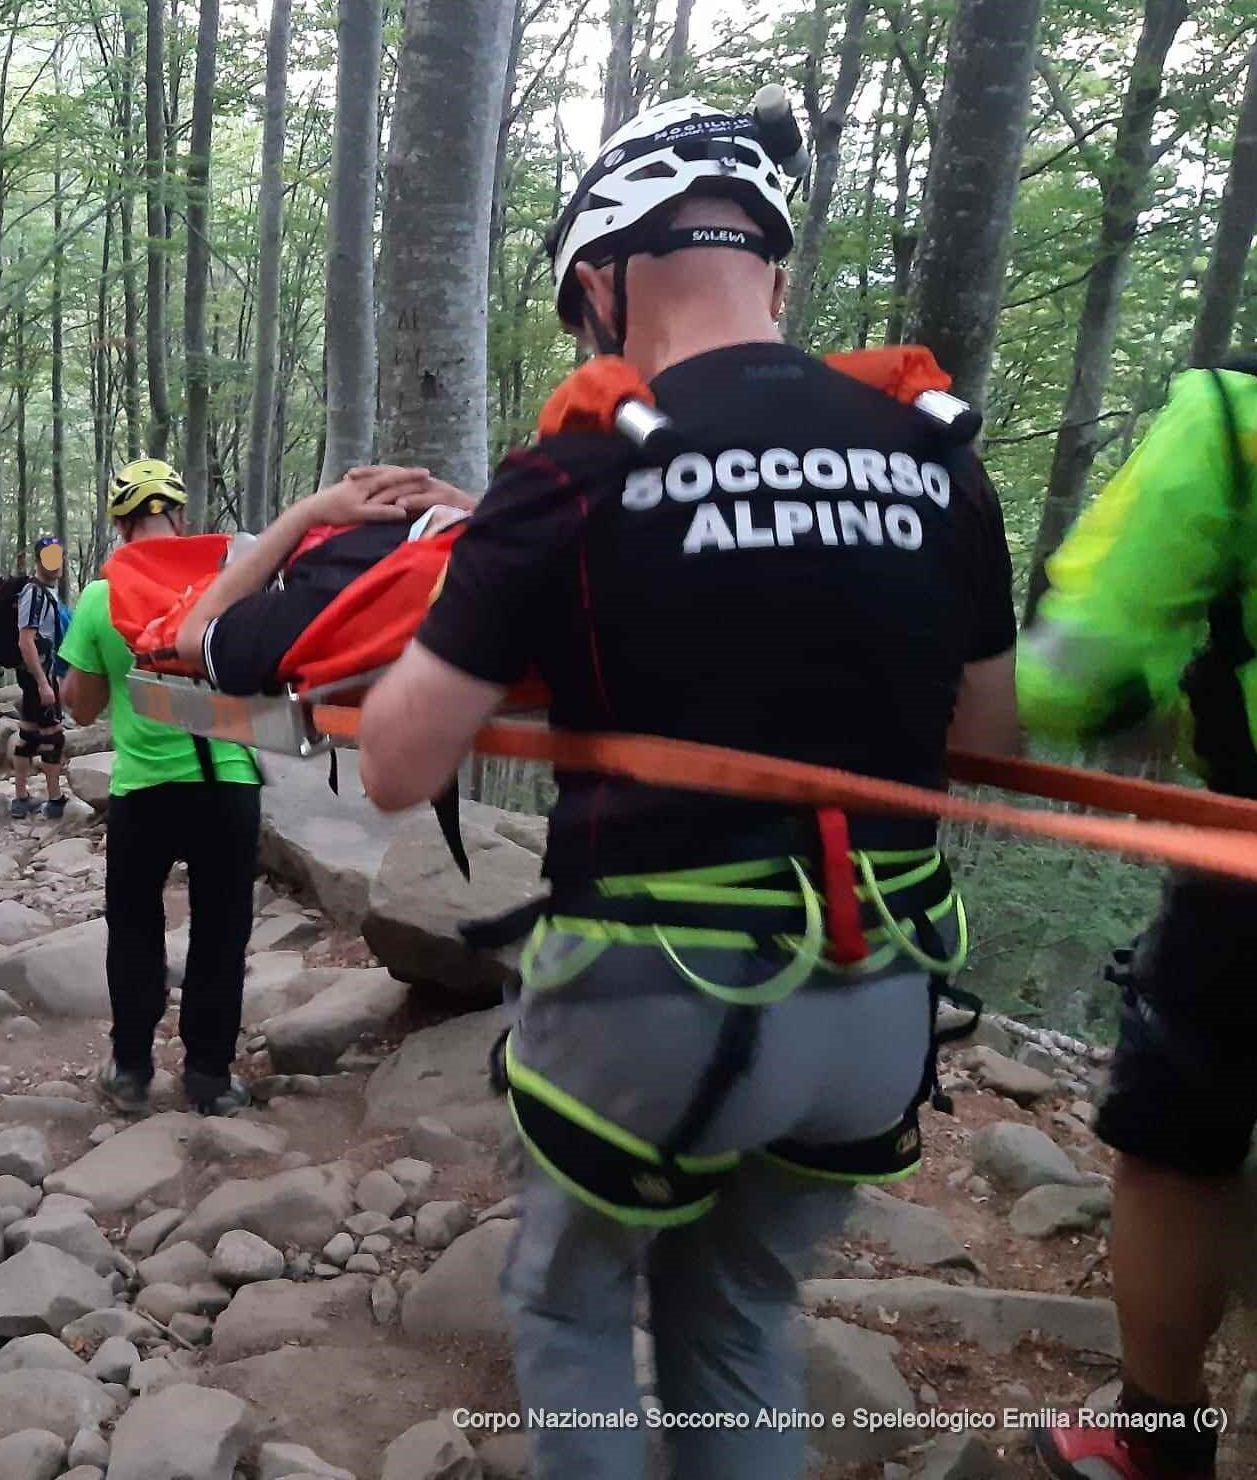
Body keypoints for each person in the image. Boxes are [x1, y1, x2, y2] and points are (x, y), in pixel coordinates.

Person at [353, 95, 1020, 1479]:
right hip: (880, 997)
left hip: (659, 996)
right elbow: (990, 741)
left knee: (572, 1306)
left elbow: (399, 767)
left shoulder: (579, 465)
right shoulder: (937, 454)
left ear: (603, 284)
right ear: (771, 269)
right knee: (738, 1322)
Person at [1019, 357, 1257, 1480]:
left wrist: (1140, 703)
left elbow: (1085, 668)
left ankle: (1153, 1439)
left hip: (1245, 868)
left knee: (1178, 1149)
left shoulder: (1236, 418)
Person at [58, 459, 264, 1116]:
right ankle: (208, 1076)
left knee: (135, 929)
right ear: (180, 518)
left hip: (144, 790)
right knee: (222, 932)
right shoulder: (230, 586)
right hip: (228, 781)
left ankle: (130, 1068)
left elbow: (81, 707)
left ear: (121, 527)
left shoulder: (101, 598)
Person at [170, 467, 476, 694]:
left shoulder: (330, 589)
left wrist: (306, 513)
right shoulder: (486, 537)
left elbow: (192, 639)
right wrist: (476, 509)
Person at [11, 536, 69, 820]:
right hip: (38, 674)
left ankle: (21, 798)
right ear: (38, 561)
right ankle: (55, 800)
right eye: (49, 558)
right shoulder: (33, 594)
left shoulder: (44, 592)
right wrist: (44, 683)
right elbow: (26, 641)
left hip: (37, 673)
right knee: (52, 736)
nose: (55, 564)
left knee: (28, 733)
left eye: (58, 557)